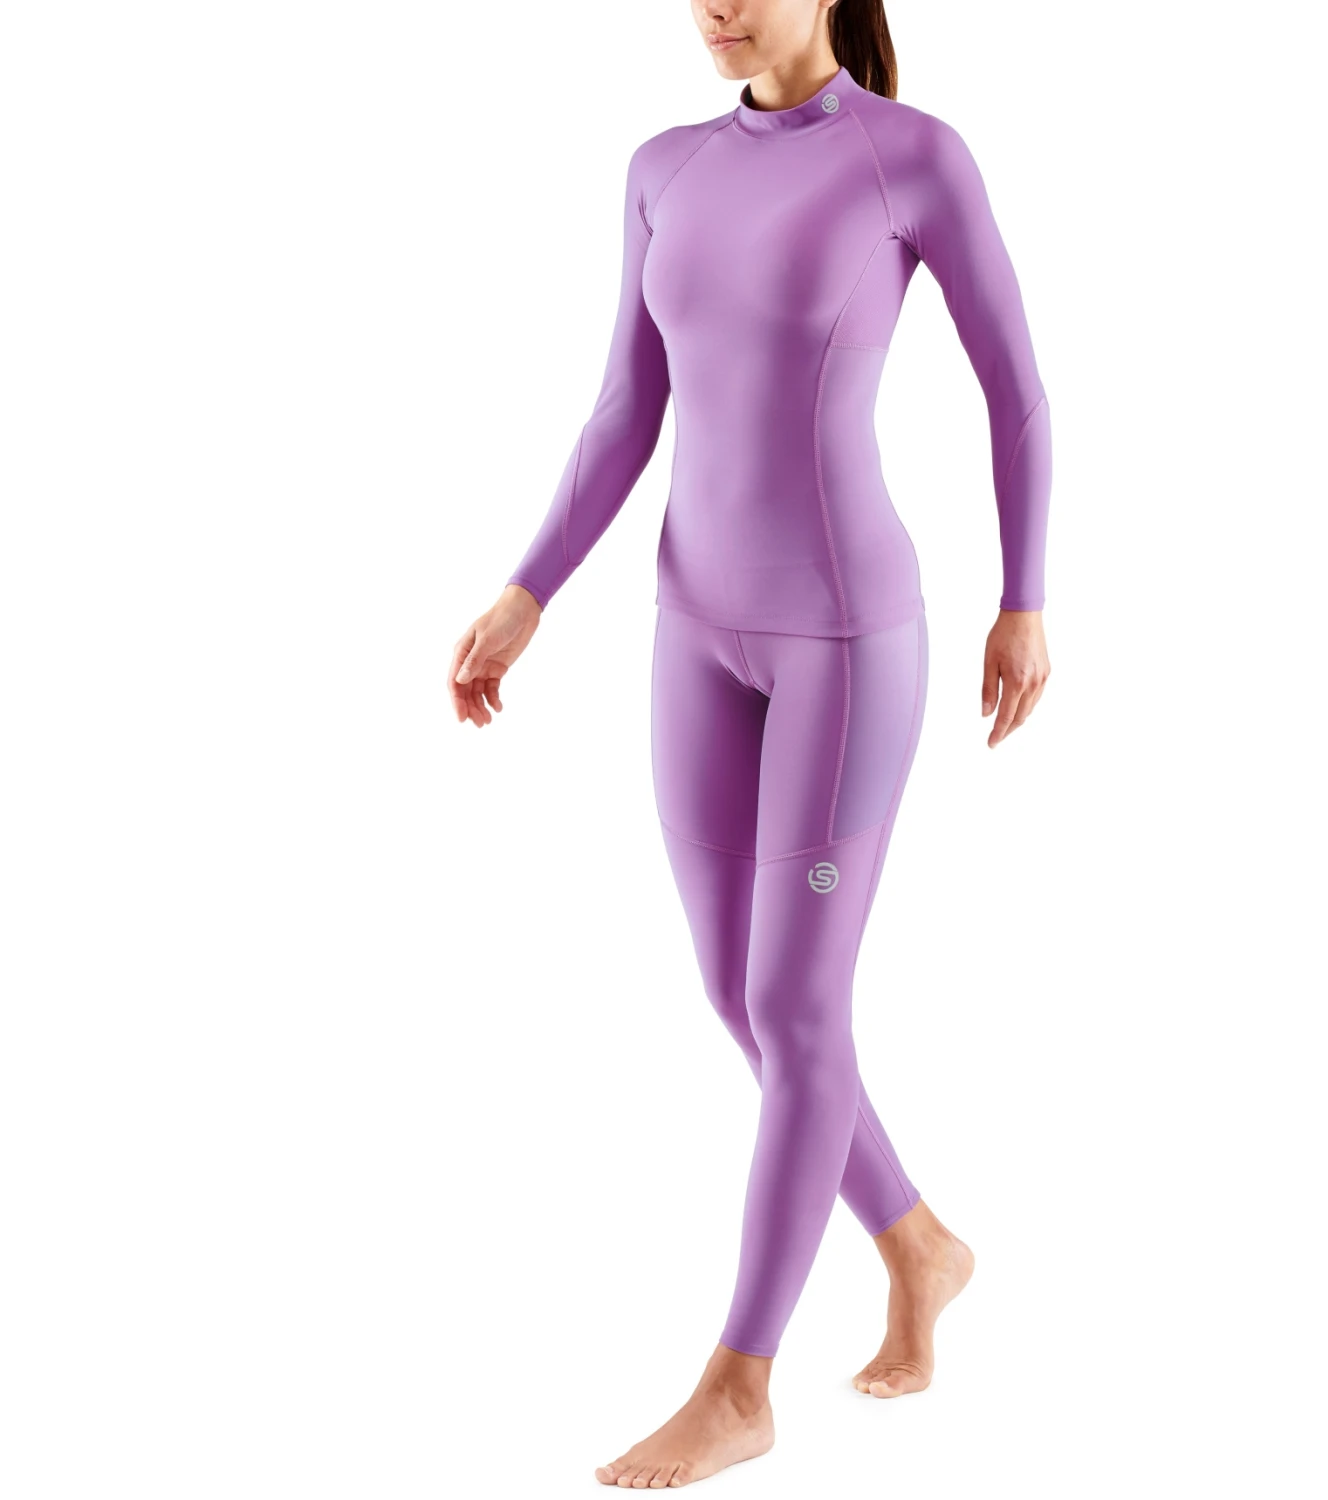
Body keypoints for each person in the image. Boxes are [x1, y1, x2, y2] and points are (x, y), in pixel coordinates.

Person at [448, 0, 1052, 1487]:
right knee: (742, 995)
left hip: (844, 639)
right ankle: (921, 1246)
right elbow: (624, 407)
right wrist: (527, 590)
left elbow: (1018, 390)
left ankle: (740, 1384)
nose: (713, 3)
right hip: (691, 631)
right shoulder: (662, 166)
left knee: (793, 1001)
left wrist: (1025, 600)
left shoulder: (913, 157)